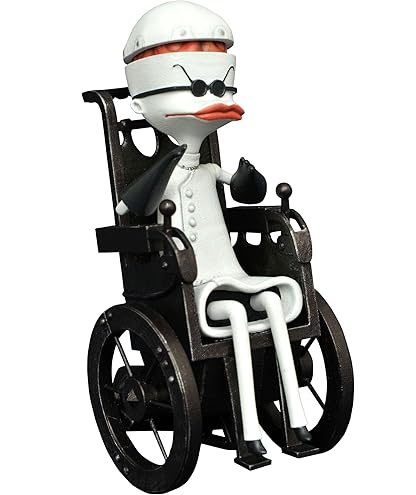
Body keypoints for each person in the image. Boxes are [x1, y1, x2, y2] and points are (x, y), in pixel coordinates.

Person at [117, 0, 310, 455]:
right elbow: (129, 207)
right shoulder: (165, 175)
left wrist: (247, 178)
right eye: (199, 88)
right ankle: (249, 436)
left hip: (229, 271)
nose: (213, 99)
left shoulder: (206, 171)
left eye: (219, 86)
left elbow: (246, 192)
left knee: (270, 300)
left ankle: (296, 420)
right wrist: (164, 166)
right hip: (186, 279)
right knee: (239, 316)